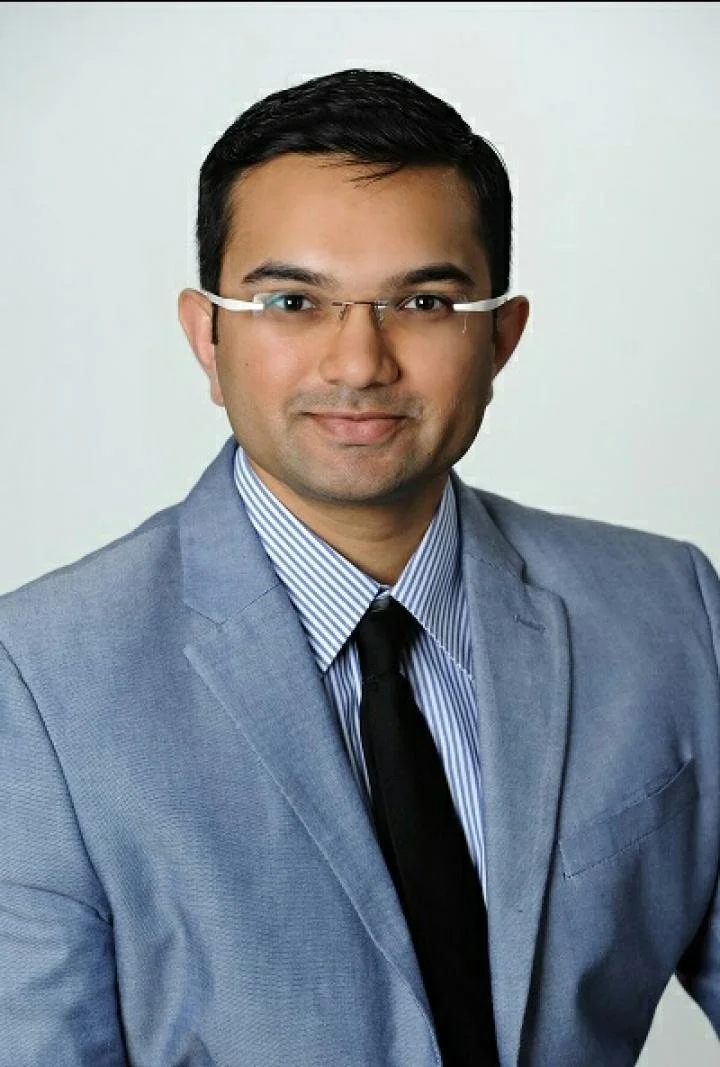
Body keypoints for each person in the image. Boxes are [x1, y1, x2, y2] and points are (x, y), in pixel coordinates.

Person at [0, 67, 717, 1067]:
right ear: (206, 335)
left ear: (501, 338)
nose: (358, 361)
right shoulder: (37, 674)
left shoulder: (668, 609)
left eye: (423, 300)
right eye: (292, 300)